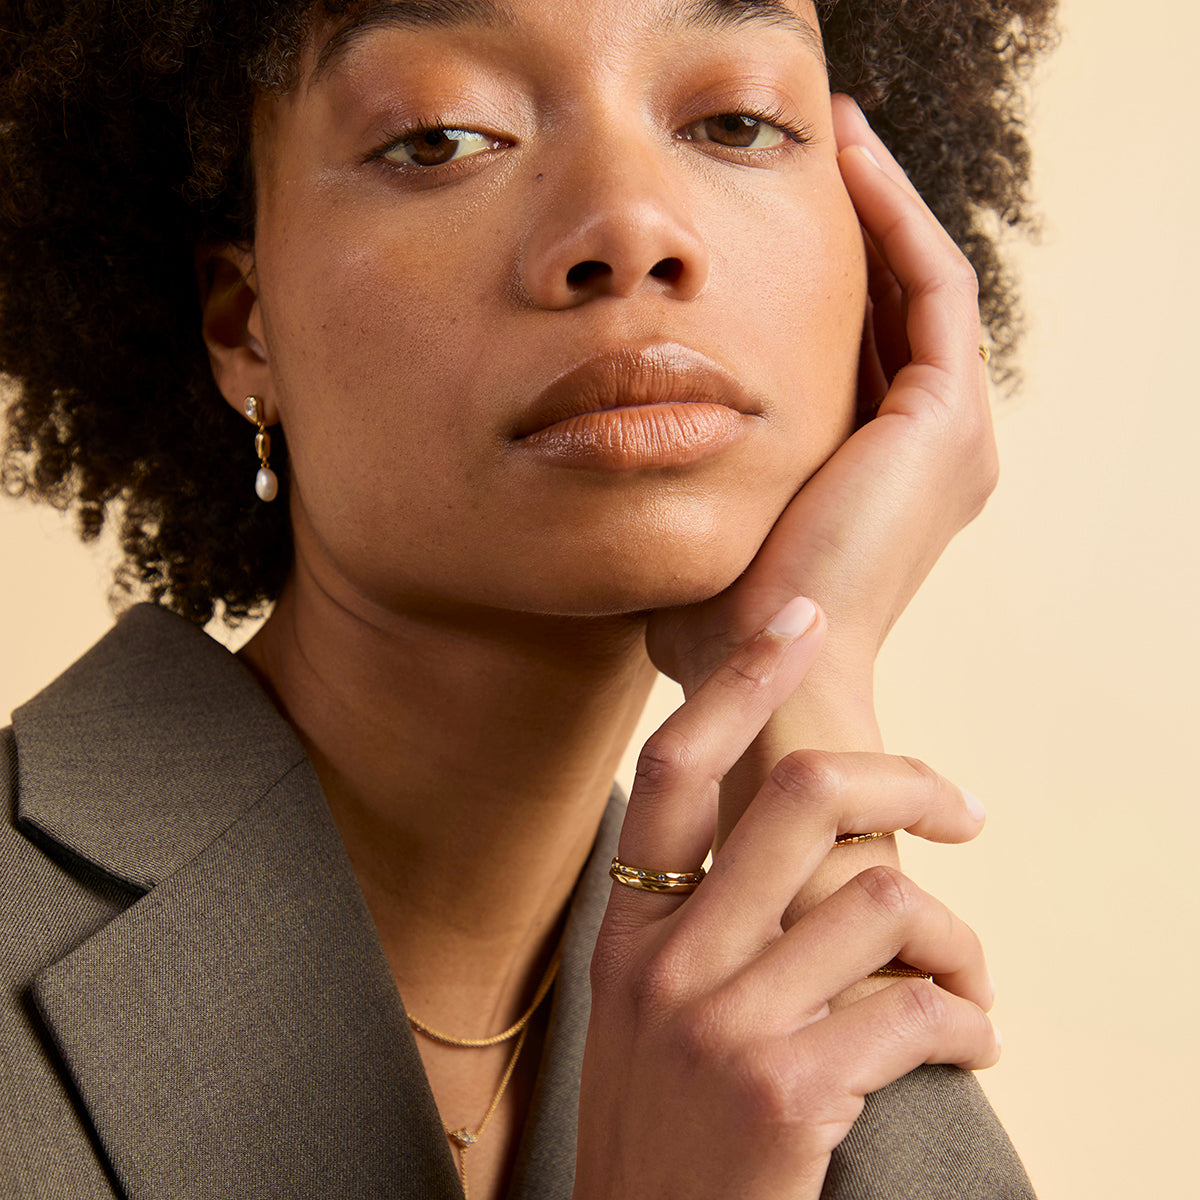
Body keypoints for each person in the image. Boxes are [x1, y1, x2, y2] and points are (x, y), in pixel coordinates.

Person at [0, 1, 1058, 1197]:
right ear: (246, 326)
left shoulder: (709, 965)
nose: (632, 227)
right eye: (441, 138)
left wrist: (795, 678)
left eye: (739, 120)